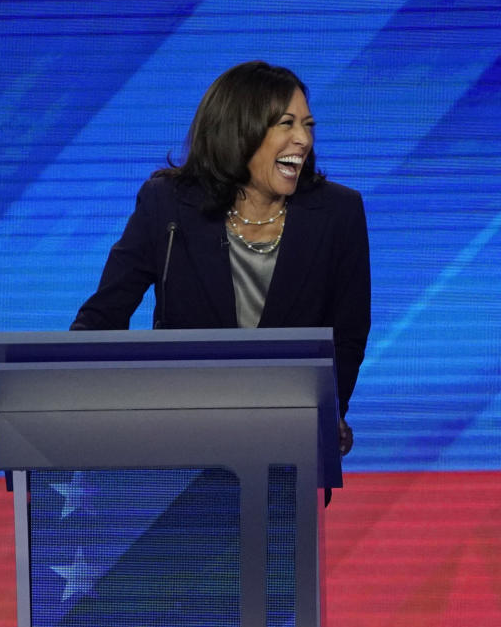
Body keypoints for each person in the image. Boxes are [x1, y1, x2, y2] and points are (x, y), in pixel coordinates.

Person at [72, 61, 371, 455]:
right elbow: (103, 317)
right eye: (286, 123)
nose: (303, 139)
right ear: (240, 129)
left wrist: (330, 411)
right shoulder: (168, 206)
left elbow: (347, 335)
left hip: (285, 455)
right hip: (178, 447)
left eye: (308, 125)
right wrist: (46, 389)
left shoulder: (338, 212)